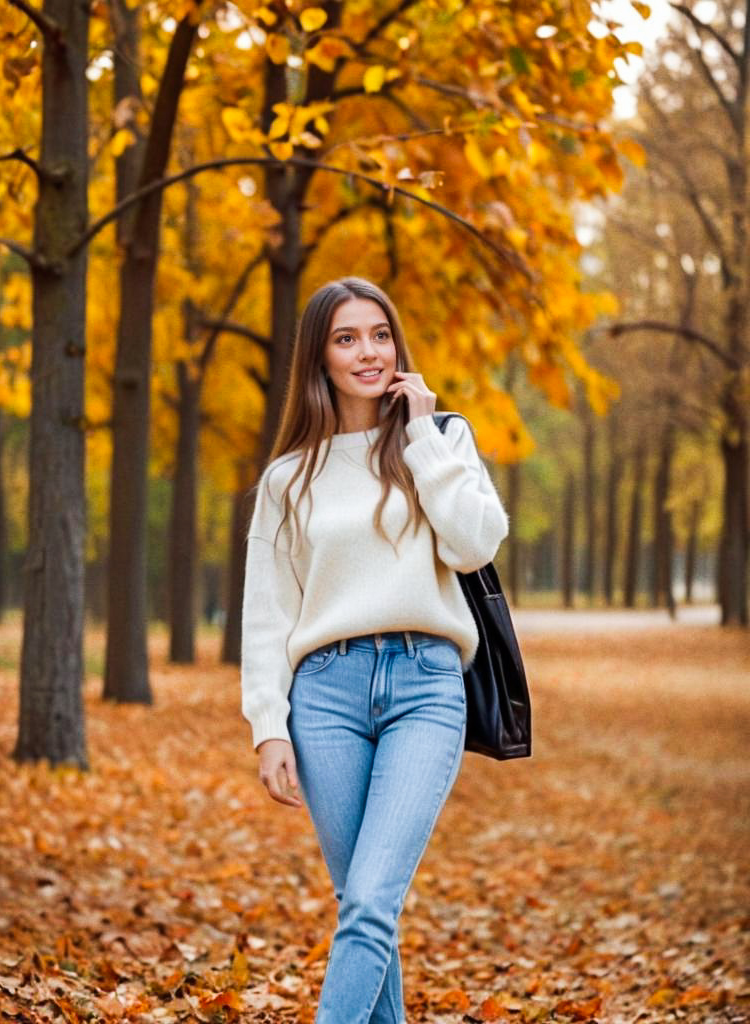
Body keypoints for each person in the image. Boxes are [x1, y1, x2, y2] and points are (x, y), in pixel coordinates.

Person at [240, 277, 509, 1024]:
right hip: (323, 695)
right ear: (319, 358)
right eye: (347, 338)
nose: (368, 351)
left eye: (380, 334)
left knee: (369, 901)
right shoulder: (289, 479)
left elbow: (475, 543)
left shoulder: (442, 439)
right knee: (364, 907)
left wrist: (420, 435)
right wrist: (268, 725)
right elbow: (267, 613)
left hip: (426, 685)